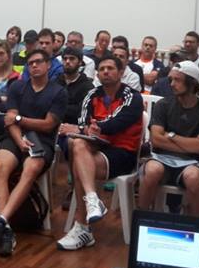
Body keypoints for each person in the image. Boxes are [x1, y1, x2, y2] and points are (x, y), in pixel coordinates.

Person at [58, 56, 143, 250]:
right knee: (77, 144)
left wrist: (89, 128)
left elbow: (116, 123)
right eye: (102, 68)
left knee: (79, 162)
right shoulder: (92, 94)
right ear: (97, 73)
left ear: (121, 72)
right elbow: (83, 122)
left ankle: (82, 228)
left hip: (123, 153)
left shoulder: (132, 96)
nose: (105, 71)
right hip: (97, 148)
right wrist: (85, 130)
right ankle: (92, 199)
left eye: (110, 68)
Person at [0, 49, 67, 257]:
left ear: (48, 65)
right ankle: (5, 228)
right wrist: (19, 140)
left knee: (31, 168)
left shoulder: (58, 92)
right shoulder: (17, 86)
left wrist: (20, 120)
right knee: (0, 166)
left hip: (42, 141)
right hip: (15, 137)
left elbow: (48, 124)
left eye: (38, 61)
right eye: (30, 63)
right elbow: (9, 119)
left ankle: (1, 221)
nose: (34, 65)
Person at [137, 61, 199, 216]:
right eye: (171, 79)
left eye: (177, 80)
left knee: (193, 178)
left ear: (192, 83)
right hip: (160, 157)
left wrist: (171, 136)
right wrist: (191, 144)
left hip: (192, 162)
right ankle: (141, 217)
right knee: (152, 171)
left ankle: (198, 225)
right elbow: (156, 140)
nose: (172, 84)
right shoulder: (163, 105)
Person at [55, 46, 96, 208]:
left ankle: (73, 187)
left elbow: (82, 112)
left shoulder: (87, 86)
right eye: (65, 59)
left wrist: (60, 109)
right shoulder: (56, 81)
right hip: (51, 126)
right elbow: (46, 104)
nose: (67, 62)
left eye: (72, 59)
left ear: (80, 62)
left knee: (73, 144)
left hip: (74, 129)